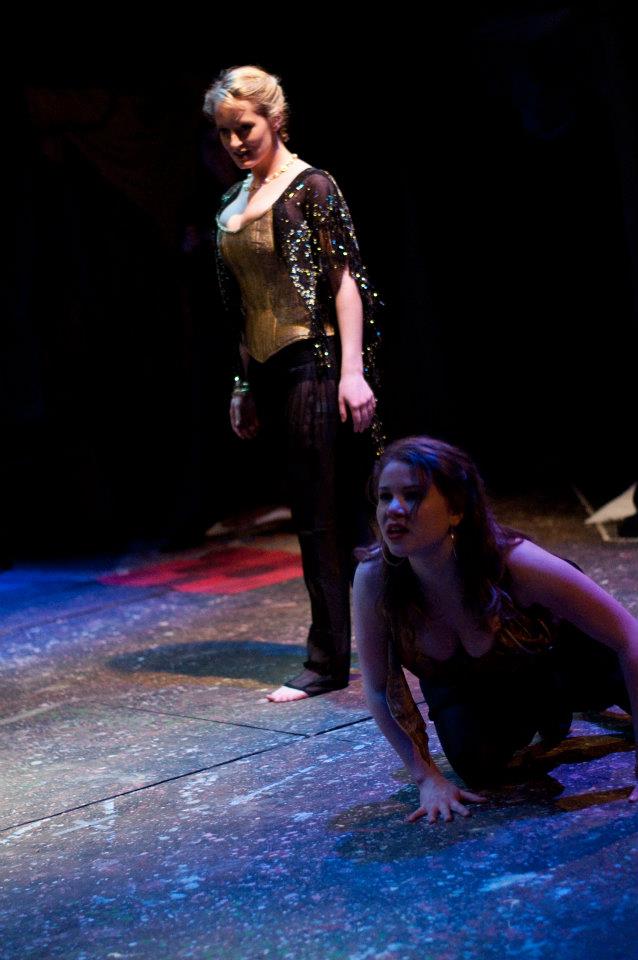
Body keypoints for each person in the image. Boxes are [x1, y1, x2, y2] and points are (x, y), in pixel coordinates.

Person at [203, 66, 380, 702]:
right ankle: (357, 645)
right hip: (268, 369)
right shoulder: (231, 202)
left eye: (244, 128)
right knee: (315, 513)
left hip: (316, 359)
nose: (235, 142)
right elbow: (240, 309)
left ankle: (329, 661)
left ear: (275, 120)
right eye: (225, 132)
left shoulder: (312, 187)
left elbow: (345, 283)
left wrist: (353, 373)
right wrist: (242, 384)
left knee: (325, 515)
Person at [354, 436, 638, 823]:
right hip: (478, 690)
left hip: (563, 660)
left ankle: (568, 703)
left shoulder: (516, 562)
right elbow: (377, 689)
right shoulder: (375, 578)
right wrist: (427, 778)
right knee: (477, 766)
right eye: (385, 496)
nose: (394, 510)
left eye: (413, 495)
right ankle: (550, 717)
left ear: (456, 510)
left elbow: (629, 636)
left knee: (606, 672)